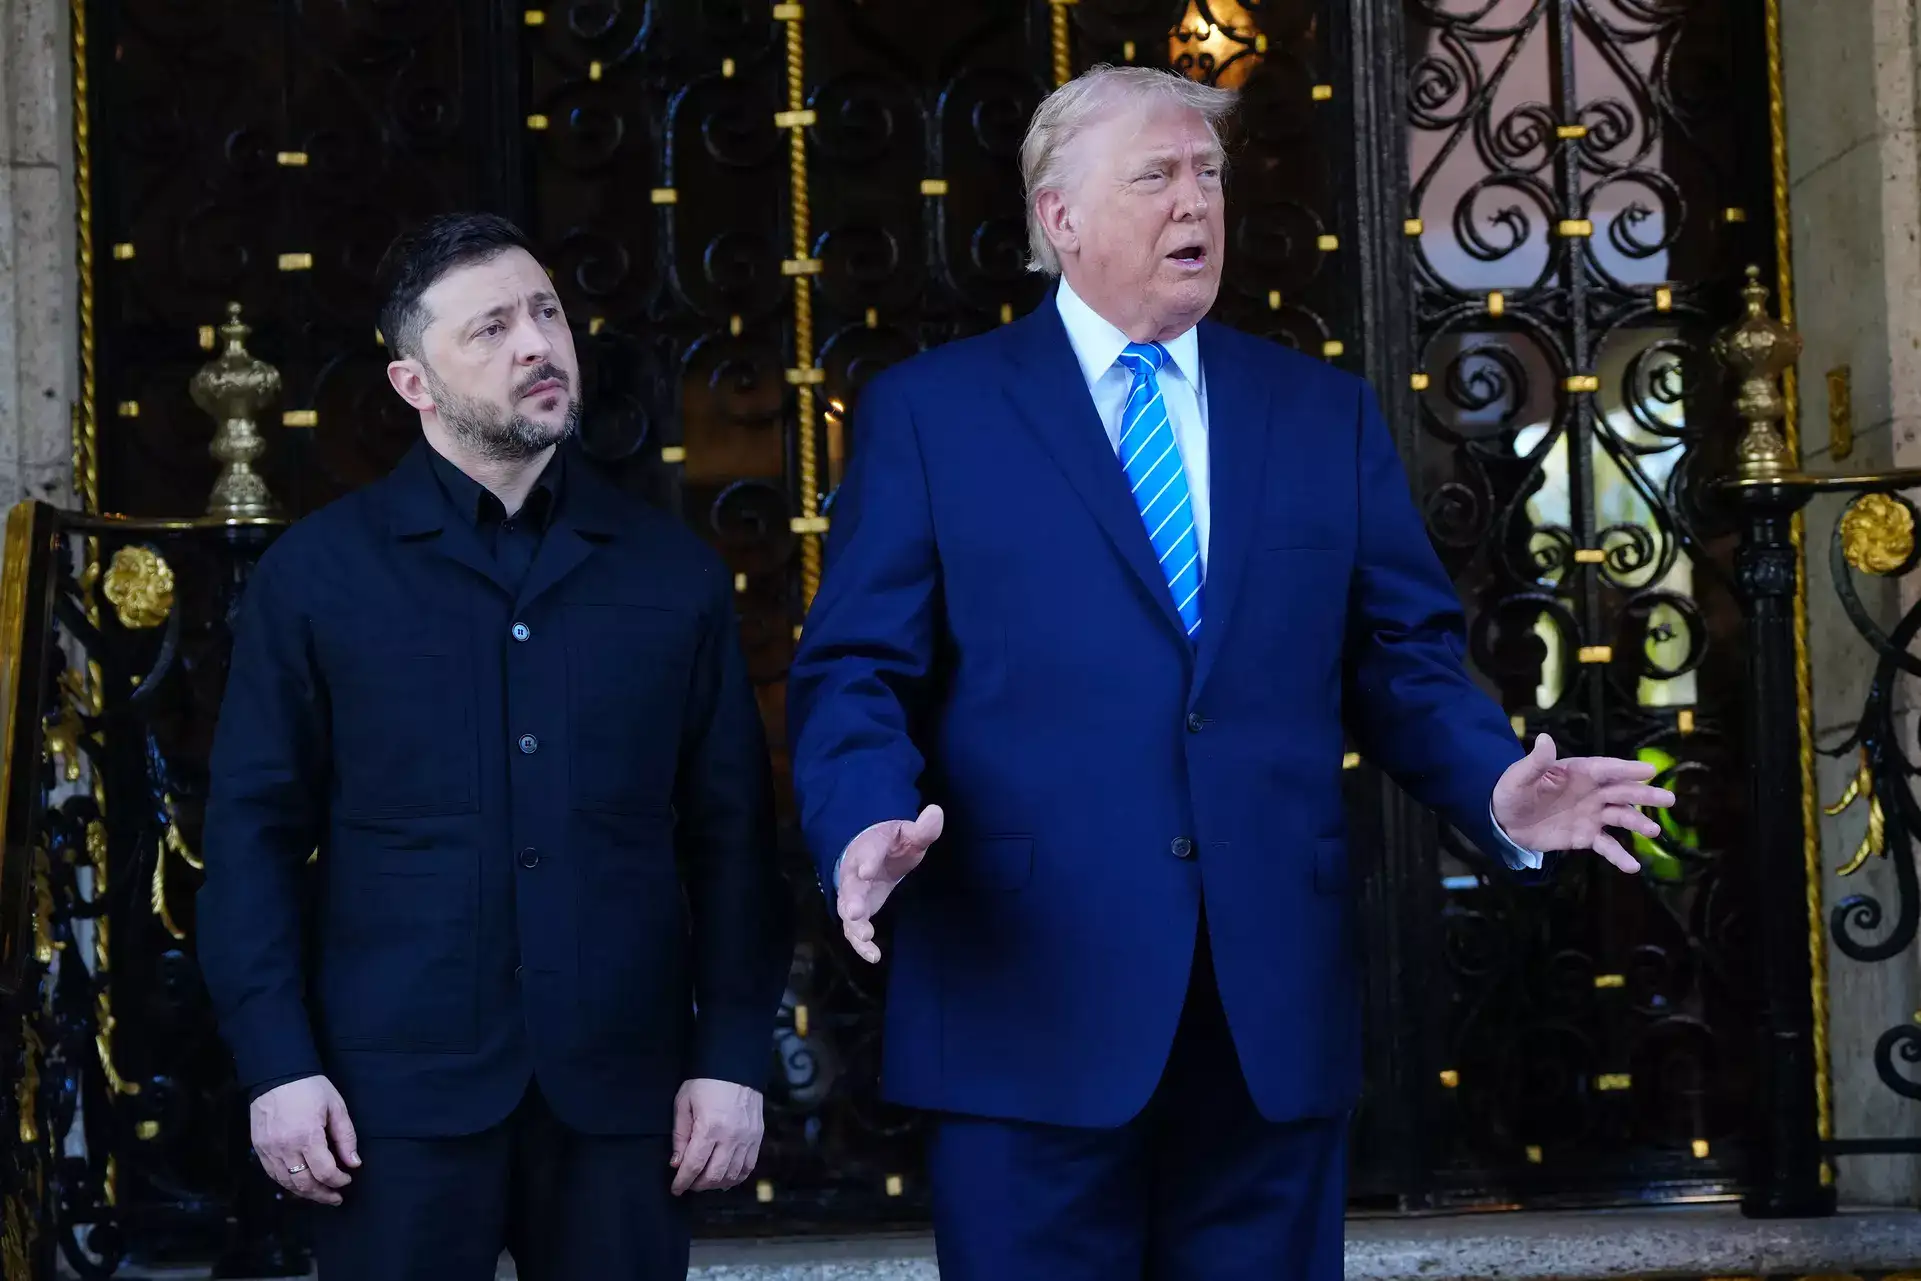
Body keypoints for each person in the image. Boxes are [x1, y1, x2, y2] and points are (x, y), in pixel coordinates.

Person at [786, 66, 1674, 1281]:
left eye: (1206, 174)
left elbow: (1403, 655)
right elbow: (855, 669)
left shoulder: (1319, 413)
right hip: (1023, 1001)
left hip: (1268, 1011)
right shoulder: (933, 415)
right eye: (1155, 175)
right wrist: (860, 818)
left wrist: (1492, 786)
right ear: (1059, 218)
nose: (1193, 200)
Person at [197, 212, 792, 1280]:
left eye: (546, 313)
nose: (536, 344)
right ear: (413, 383)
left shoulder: (672, 575)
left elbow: (734, 839)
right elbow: (252, 840)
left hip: (626, 1096)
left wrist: (733, 1056)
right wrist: (277, 1064)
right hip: (388, 1103)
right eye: (491, 328)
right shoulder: (317, 577)